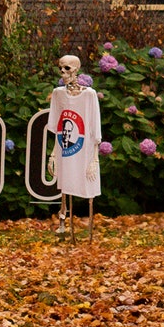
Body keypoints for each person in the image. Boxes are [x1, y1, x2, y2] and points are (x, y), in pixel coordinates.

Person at [46, 55, 101, 238]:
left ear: (76, 70)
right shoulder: (58, 94)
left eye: (67, 68)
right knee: (65, 183)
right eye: (60, 68)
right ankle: (64, 223)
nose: (62, 72)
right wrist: (53, 155)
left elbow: (94, 128)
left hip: (84, 147)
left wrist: (94, 158)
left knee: (88, 185)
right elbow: (57, 127)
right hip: (66, 148)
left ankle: (89, 230)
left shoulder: (89, 95)